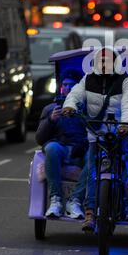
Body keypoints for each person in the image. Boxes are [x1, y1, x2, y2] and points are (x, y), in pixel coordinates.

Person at [62, 47, 128, 231]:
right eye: (102, 60)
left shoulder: (125, 80)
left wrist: (126, 124)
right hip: (96, 133)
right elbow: (75, 94)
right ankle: (90, 212)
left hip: (121, 130)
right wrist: (69, 106)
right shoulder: (87, 79)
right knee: (92, 170)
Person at [35, 69, 89, 219]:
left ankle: (75, 200)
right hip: (60, 148)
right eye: (65, 84)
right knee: (51, 148)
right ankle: (56, 200)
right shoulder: (51, 108)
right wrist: (51, 121)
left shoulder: (87, 108)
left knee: (96, 155)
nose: (67, 88)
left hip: (81, 150)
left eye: (72, 85)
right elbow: (39, 139)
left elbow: (95, 132)